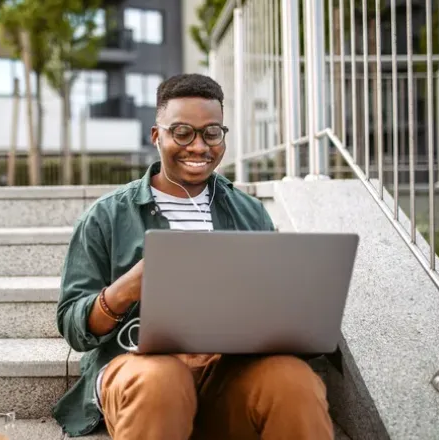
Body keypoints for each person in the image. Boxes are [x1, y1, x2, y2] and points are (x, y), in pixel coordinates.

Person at [51, 73, 333, 439]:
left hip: (227, 373)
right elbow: (73, 324)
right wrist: (128, 288)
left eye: (211, 133)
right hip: (141, 369)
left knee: (294, 381)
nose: (199, 146)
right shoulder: (106, 216)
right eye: (182, 132)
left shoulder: (249, 212)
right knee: (162, 380)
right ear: (157, 136)